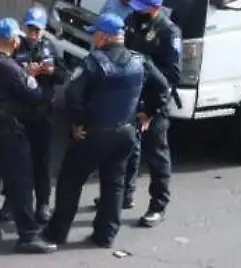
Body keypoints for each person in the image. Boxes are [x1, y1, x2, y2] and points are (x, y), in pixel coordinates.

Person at [44, 13, 172, 250]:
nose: (94, 38)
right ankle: (106, 235)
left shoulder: (94, 62)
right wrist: (149, 112)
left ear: (104, 36)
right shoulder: (140, 60)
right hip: (125, 133)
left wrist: (78, 122)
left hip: (93, 133)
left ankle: (56, 233)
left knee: (70, 182)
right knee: (114, 184)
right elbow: (163, 88)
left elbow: (72, 95)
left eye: (96, 34)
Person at [0, 18, 57, 254]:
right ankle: (28, 235)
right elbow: (34, 95)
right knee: (21, 183)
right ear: (12, 40)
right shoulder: (10, 68)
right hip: (9, 133)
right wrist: (31, 75)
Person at [121, 0, 184, 227]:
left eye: (144, 8)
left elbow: (172, 75)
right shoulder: (133, 19)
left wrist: (150, 108)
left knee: (156, 154)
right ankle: (125, 193)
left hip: (153, 99)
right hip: (131, 95)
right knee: (126, 148)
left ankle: (158, 205)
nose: (139, 11)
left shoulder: (169, 32)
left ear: (156, 8)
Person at [10, 6, 65, 227]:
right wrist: (24, 72)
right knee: (15, 162)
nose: (33, 34)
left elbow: (64, 75)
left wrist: (50, 72)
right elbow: (5, 74)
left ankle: (43, 203)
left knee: (41, 162)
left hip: (42, 112)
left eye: (37, 30)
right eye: (30, 29)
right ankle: (12, 202)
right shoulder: (15, 46)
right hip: (19, 113)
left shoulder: (50, 47)